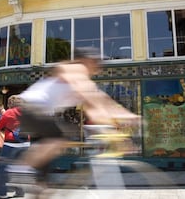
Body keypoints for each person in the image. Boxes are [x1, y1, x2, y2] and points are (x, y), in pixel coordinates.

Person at [12, 47, 139, 175]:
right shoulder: (76, 70)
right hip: (34, 107)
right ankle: (20, 168)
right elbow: (92, 102)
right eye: (95, 61)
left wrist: (125, 117)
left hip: (39, 110)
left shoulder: (85, 81)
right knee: (59, 139)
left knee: (52, 150)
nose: (98, 65)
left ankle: (40, 187)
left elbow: (101, 104)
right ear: (85, 61)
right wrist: (116, 124)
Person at [0, 95, 29, 198]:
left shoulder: (9, 112)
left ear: (10, 104)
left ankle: (1, 192)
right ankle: (20, 191)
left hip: (11, 144)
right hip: (25, 143)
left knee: (3, 168)